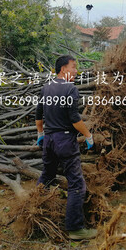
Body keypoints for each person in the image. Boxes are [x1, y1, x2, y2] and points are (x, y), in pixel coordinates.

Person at [35, 55, 97, 240]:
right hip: (64, 141)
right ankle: (76, 229)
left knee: (47, 175)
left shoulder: (46, 88)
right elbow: (74, 118)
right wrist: (88, 135)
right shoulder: (70, 89)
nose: (76, 71)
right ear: (63, 69)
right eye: (73, 67)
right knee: (76, 183)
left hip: (49, 141)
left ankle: (34, 209)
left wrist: (40, 134)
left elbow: (39, 114)